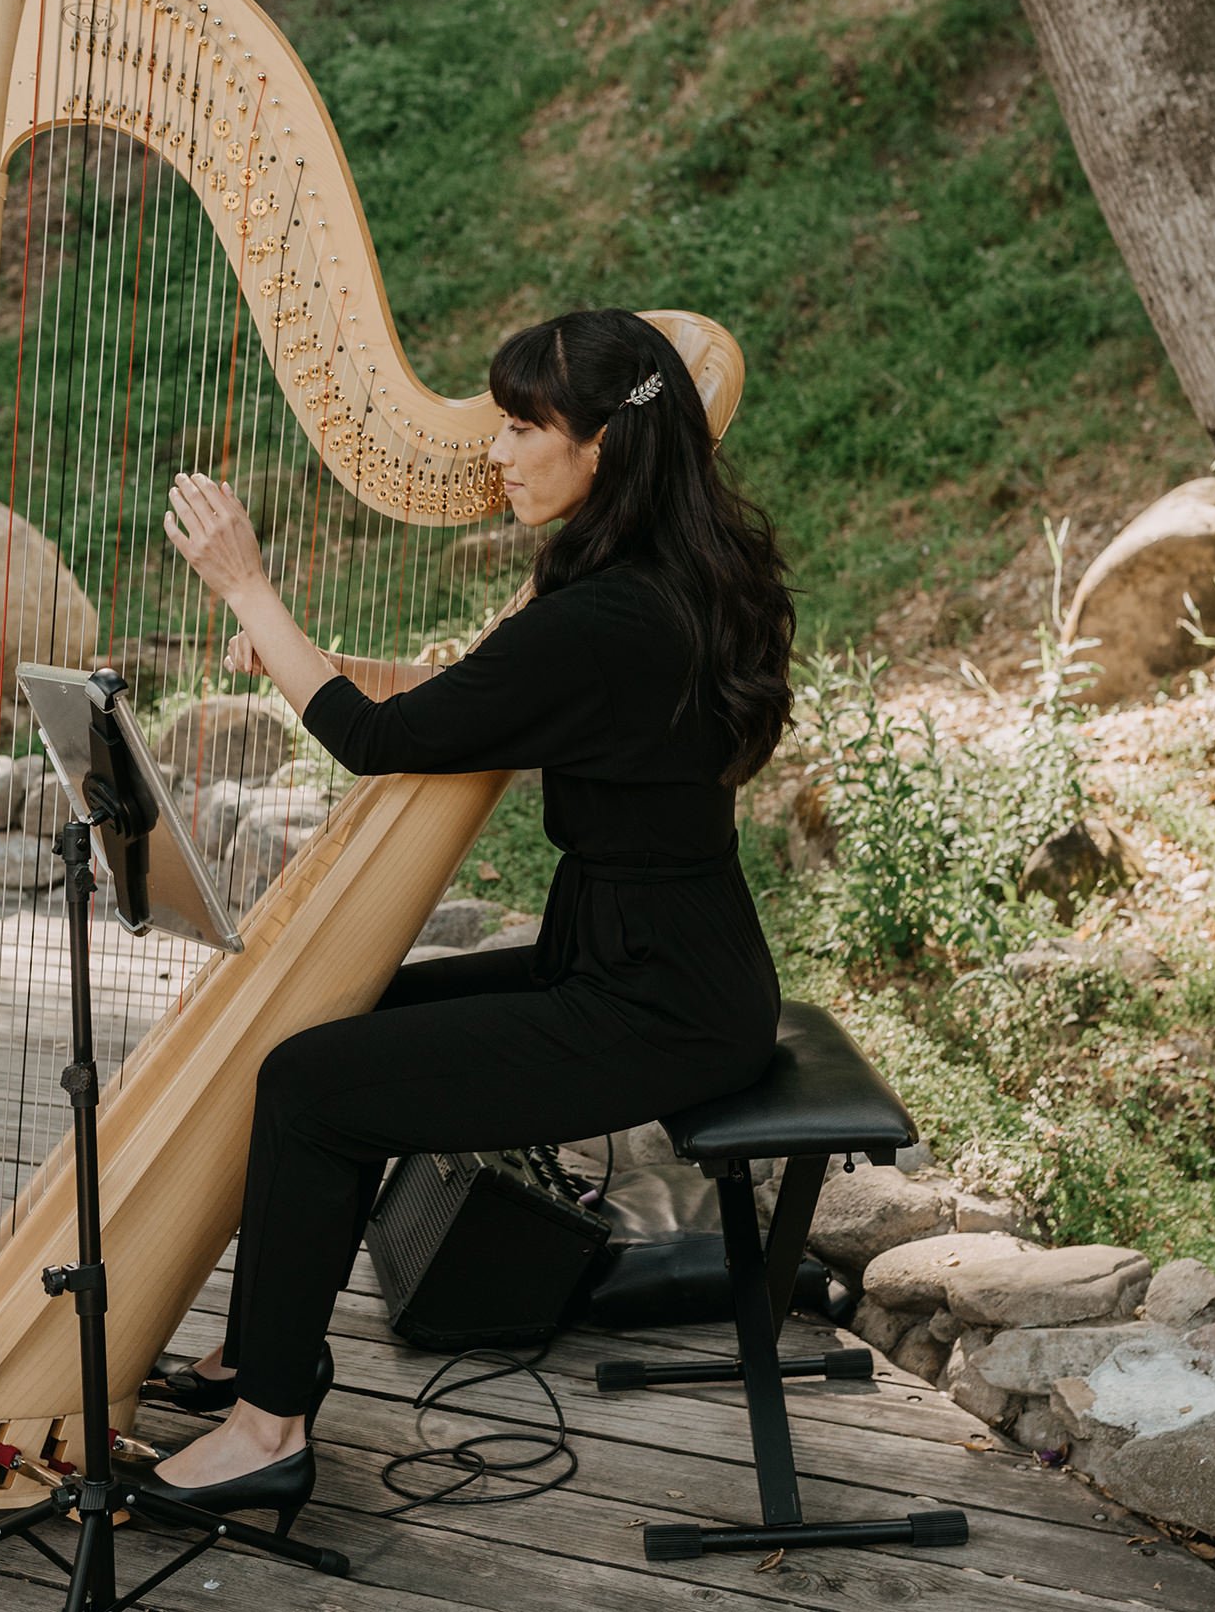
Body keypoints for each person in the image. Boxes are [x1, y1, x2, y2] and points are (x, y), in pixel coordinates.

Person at [140, 307, 795, 1527]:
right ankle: (264, 1352)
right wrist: (315, 655)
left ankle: (266, 1427)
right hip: (646, 960)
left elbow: (384, 742)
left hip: (652, 1006)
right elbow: (470, 703)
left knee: (313, 1081)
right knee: (351, 1017)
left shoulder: (608, 618)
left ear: (602, 446)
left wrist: (250, 592)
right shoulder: (662, 578)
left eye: (519, 426)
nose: (494, 452)